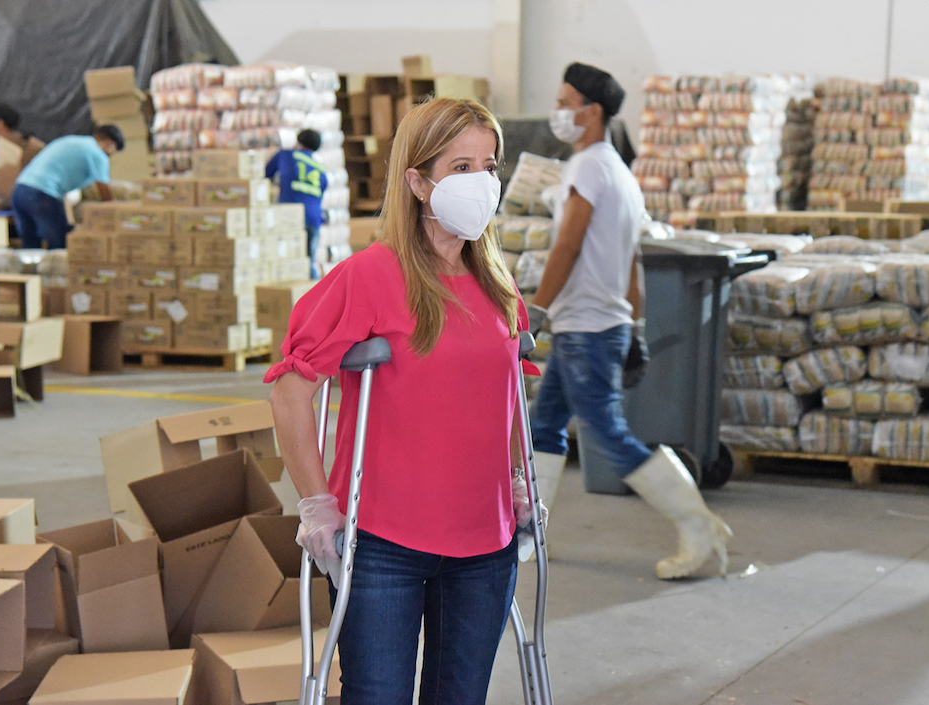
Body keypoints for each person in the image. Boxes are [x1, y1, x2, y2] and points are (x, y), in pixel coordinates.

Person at [266, 98, 535, 705]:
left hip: (485, 544)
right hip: (385, 541)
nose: (481, 182)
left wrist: (519, 483)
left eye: (488, 165)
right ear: (417, 181)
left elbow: (511, 393)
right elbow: (290, 392)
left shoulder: (498, 283)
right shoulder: (370, 275)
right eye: (460, 166)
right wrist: (316, 504)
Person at [527, 62, 733, 580]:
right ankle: (526, 533)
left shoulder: (588, 167)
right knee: (543, 425)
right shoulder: (619, 170)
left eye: (565, 101)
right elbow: (632, 261)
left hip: (585, 326)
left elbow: (568, 244)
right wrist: (635, 327)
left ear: (591, 112)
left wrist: (537, 309)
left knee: (607, 432)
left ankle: (698, 524)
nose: (558, 111)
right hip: (599, 323)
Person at [11, 124, 123, 250]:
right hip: (42, 193)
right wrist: (119, 217)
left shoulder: (72, 141)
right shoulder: (97, 153)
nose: (110, 156)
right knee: (59, 243)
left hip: (19, 190)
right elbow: (105, 193)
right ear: (110, 143)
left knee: (30, 246)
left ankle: (30, 268)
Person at [265, 128, 328, 279]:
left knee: (285, 260)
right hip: (313, 218)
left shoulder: (285, 155)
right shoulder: (320, 169)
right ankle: (313, 295)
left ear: (297, 141)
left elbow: (265, 174)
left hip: (289, 216)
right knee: (308, 262)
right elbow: (321, 192)